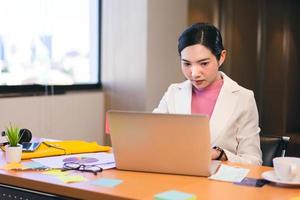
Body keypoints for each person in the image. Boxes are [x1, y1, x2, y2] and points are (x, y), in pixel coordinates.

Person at [153, 22, 262, 165]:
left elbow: (254, 162)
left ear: (221, 57)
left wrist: (220, 154)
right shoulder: (173, 93)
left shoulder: (243, 98)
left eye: (203, 63)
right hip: (176, 176)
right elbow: (152, 137)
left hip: (219, 184)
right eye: (186, 64)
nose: (194, 73)